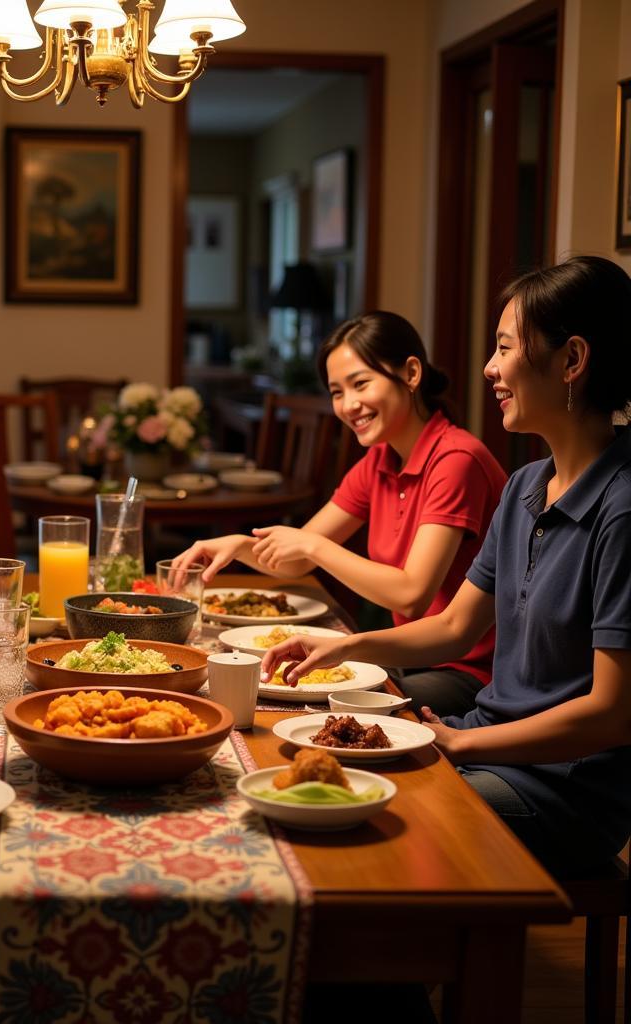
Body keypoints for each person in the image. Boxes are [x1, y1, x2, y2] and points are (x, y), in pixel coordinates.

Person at [262, 256, 631, 877]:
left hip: (564, 788)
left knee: (369, 819)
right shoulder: (525, 487)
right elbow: (455, 627)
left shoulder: (621, 507)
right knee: (308, 773)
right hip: (486, 741)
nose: (489, 367)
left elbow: (612, 713)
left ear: (572, 361)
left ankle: (401, 973)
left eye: (506, 346)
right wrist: (341, 646)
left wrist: (458, 743)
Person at [173, 311, 507, 717]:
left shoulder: (456, 459)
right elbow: (294, 559)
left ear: (412, 373)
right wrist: (239, 544)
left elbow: (412, 594)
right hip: (411, 654)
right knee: (271, 684)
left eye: (360, 383)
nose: (349, 405)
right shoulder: (380, 460)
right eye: (336, 391)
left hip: (473, 673)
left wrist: (314, 547)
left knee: (320, 708)